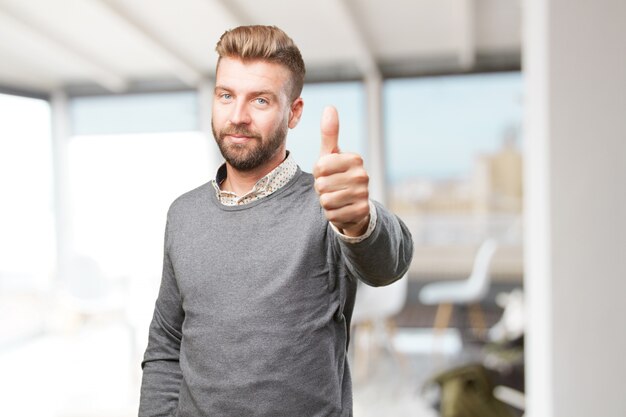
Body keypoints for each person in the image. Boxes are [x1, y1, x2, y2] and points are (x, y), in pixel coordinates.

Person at [139, 25, 413, 417]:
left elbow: (390, 263)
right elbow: (166, 345)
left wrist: (361, 219)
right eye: (226, 95)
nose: (238, 116)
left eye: (261, 101)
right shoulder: (183, 214)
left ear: (294, 112)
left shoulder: (326, 206)